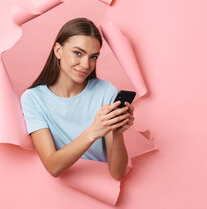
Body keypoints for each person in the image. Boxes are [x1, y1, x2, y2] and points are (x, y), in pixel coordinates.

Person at [20, 18, 134, 180]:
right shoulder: (33, 98)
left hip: (100, 188)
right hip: (59, 191)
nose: (86, 64)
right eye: (78, 53)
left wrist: (116, 133)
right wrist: (93, 131)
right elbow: (52, 166)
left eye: (93, 57)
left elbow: (117, 174)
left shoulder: (106, 92)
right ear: (58, 51)